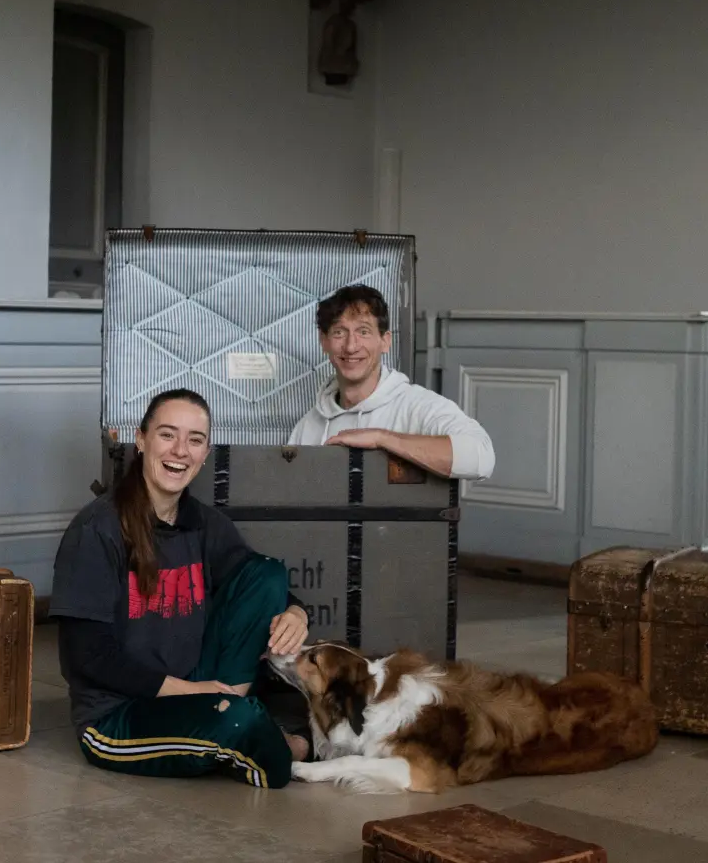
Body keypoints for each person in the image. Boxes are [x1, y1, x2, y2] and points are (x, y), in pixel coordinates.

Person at [52, 388, 313, 788]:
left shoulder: (205, 524)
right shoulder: (97, 530)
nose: (180, 451)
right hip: (119, 715)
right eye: (167, 434)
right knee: (240, 722)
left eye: (195, 439)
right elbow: (86, 655)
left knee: (268, 572)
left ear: (206, 452)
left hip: (197, 683)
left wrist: (297, 611)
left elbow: (256, 583)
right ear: (141, 440)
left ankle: (236, 714)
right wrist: (189, 692)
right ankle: (271, 738)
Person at [287, 284, 495, 481]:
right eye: (339, 333)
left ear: (385, 341)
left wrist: (381, 439)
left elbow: (482, 458)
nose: (351, 347)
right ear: (324, 342)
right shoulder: (308, 426)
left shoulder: (418, 406)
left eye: (364, 331)